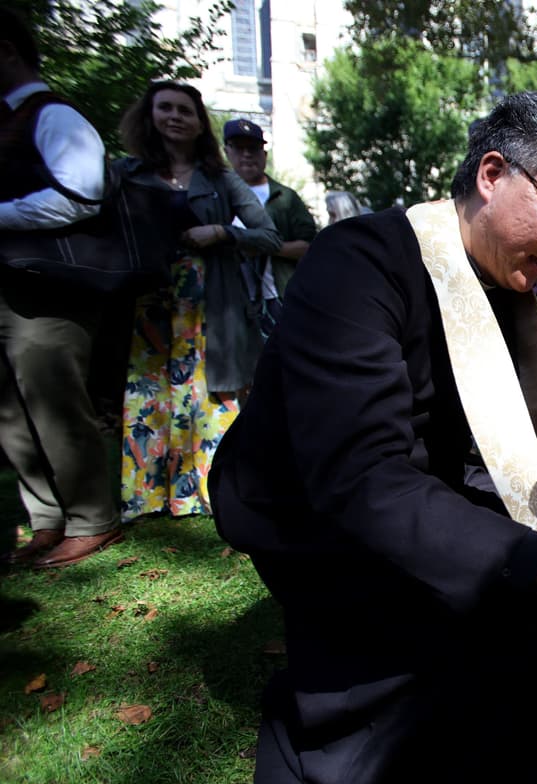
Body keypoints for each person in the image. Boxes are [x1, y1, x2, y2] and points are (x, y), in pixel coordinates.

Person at [209, 91, 537, 784]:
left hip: (427, 490)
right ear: (492, 173)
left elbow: (516, 442)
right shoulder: (356, 264)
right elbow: (362, 479)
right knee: (483, 656)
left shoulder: (512, 284)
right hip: (319, 515)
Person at [116, 82, 280, 522]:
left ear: (198, 122)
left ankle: (206, 492)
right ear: (148, 116)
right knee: (150, 391)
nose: (174, 116)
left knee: (209, 395)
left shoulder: (220, 179)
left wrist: (223, 232)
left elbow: (269, 234)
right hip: (149, 296)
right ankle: (147, 496)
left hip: (208, 301)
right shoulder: (126, 174)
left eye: (184, 110)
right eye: (164, 108)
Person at [0, 6, 123, 569]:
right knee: (11, 408)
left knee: (54, 399)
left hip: (48, 286)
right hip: (8, 283)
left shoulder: (52, 116)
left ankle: (92, 517)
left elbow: (83, 192)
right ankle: (46, 516)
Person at [223, 118, 318, 332]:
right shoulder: (215, 196)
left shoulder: (286, 197)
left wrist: (263, 245)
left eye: (253, 148)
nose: (247, 154)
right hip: (227, 300)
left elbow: (311, 247)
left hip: (277, 297)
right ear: (227, 152)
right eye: (239, 148)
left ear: (264, 155)